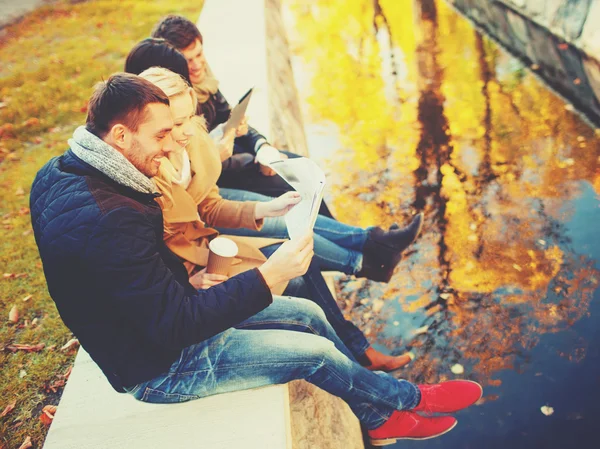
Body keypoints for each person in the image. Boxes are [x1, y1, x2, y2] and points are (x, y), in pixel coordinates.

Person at [30, 73, 482, 445]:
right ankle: (405, 398)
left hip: (154, 325)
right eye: (162, 134)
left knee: (306, 312)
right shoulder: (109, 215)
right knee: (314, 354)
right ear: (120, 134)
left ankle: (375, 415)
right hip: (157, 368)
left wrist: (191, 284)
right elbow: (174, 326)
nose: (172, 145)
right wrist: (269, 276)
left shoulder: (63, 171)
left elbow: (129, 285)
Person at [137, 65, 414, 372]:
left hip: (211, 250)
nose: (188, 128)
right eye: (178, 122)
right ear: (156, 127)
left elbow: (209, 206)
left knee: (298, 255)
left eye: (190, 116)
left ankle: (359, 348)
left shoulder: (192, 142)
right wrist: (187, 283)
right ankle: (357, 354)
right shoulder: (148, 174)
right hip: (194, 274)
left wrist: (265, 210)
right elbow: (149, 258)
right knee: (297, 284)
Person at [124, 38, 425, 283]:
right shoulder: (149, 167)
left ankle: (371, 247)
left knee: (294, 180)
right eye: (188, 62)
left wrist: (259, 146)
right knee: (288, 238)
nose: (197, 65)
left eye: (200, 54)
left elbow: (228, 127)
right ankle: (367, 257)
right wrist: (190, 282)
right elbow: (161, 246)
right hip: (202, 246)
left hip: (213, 203)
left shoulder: (198, 106)